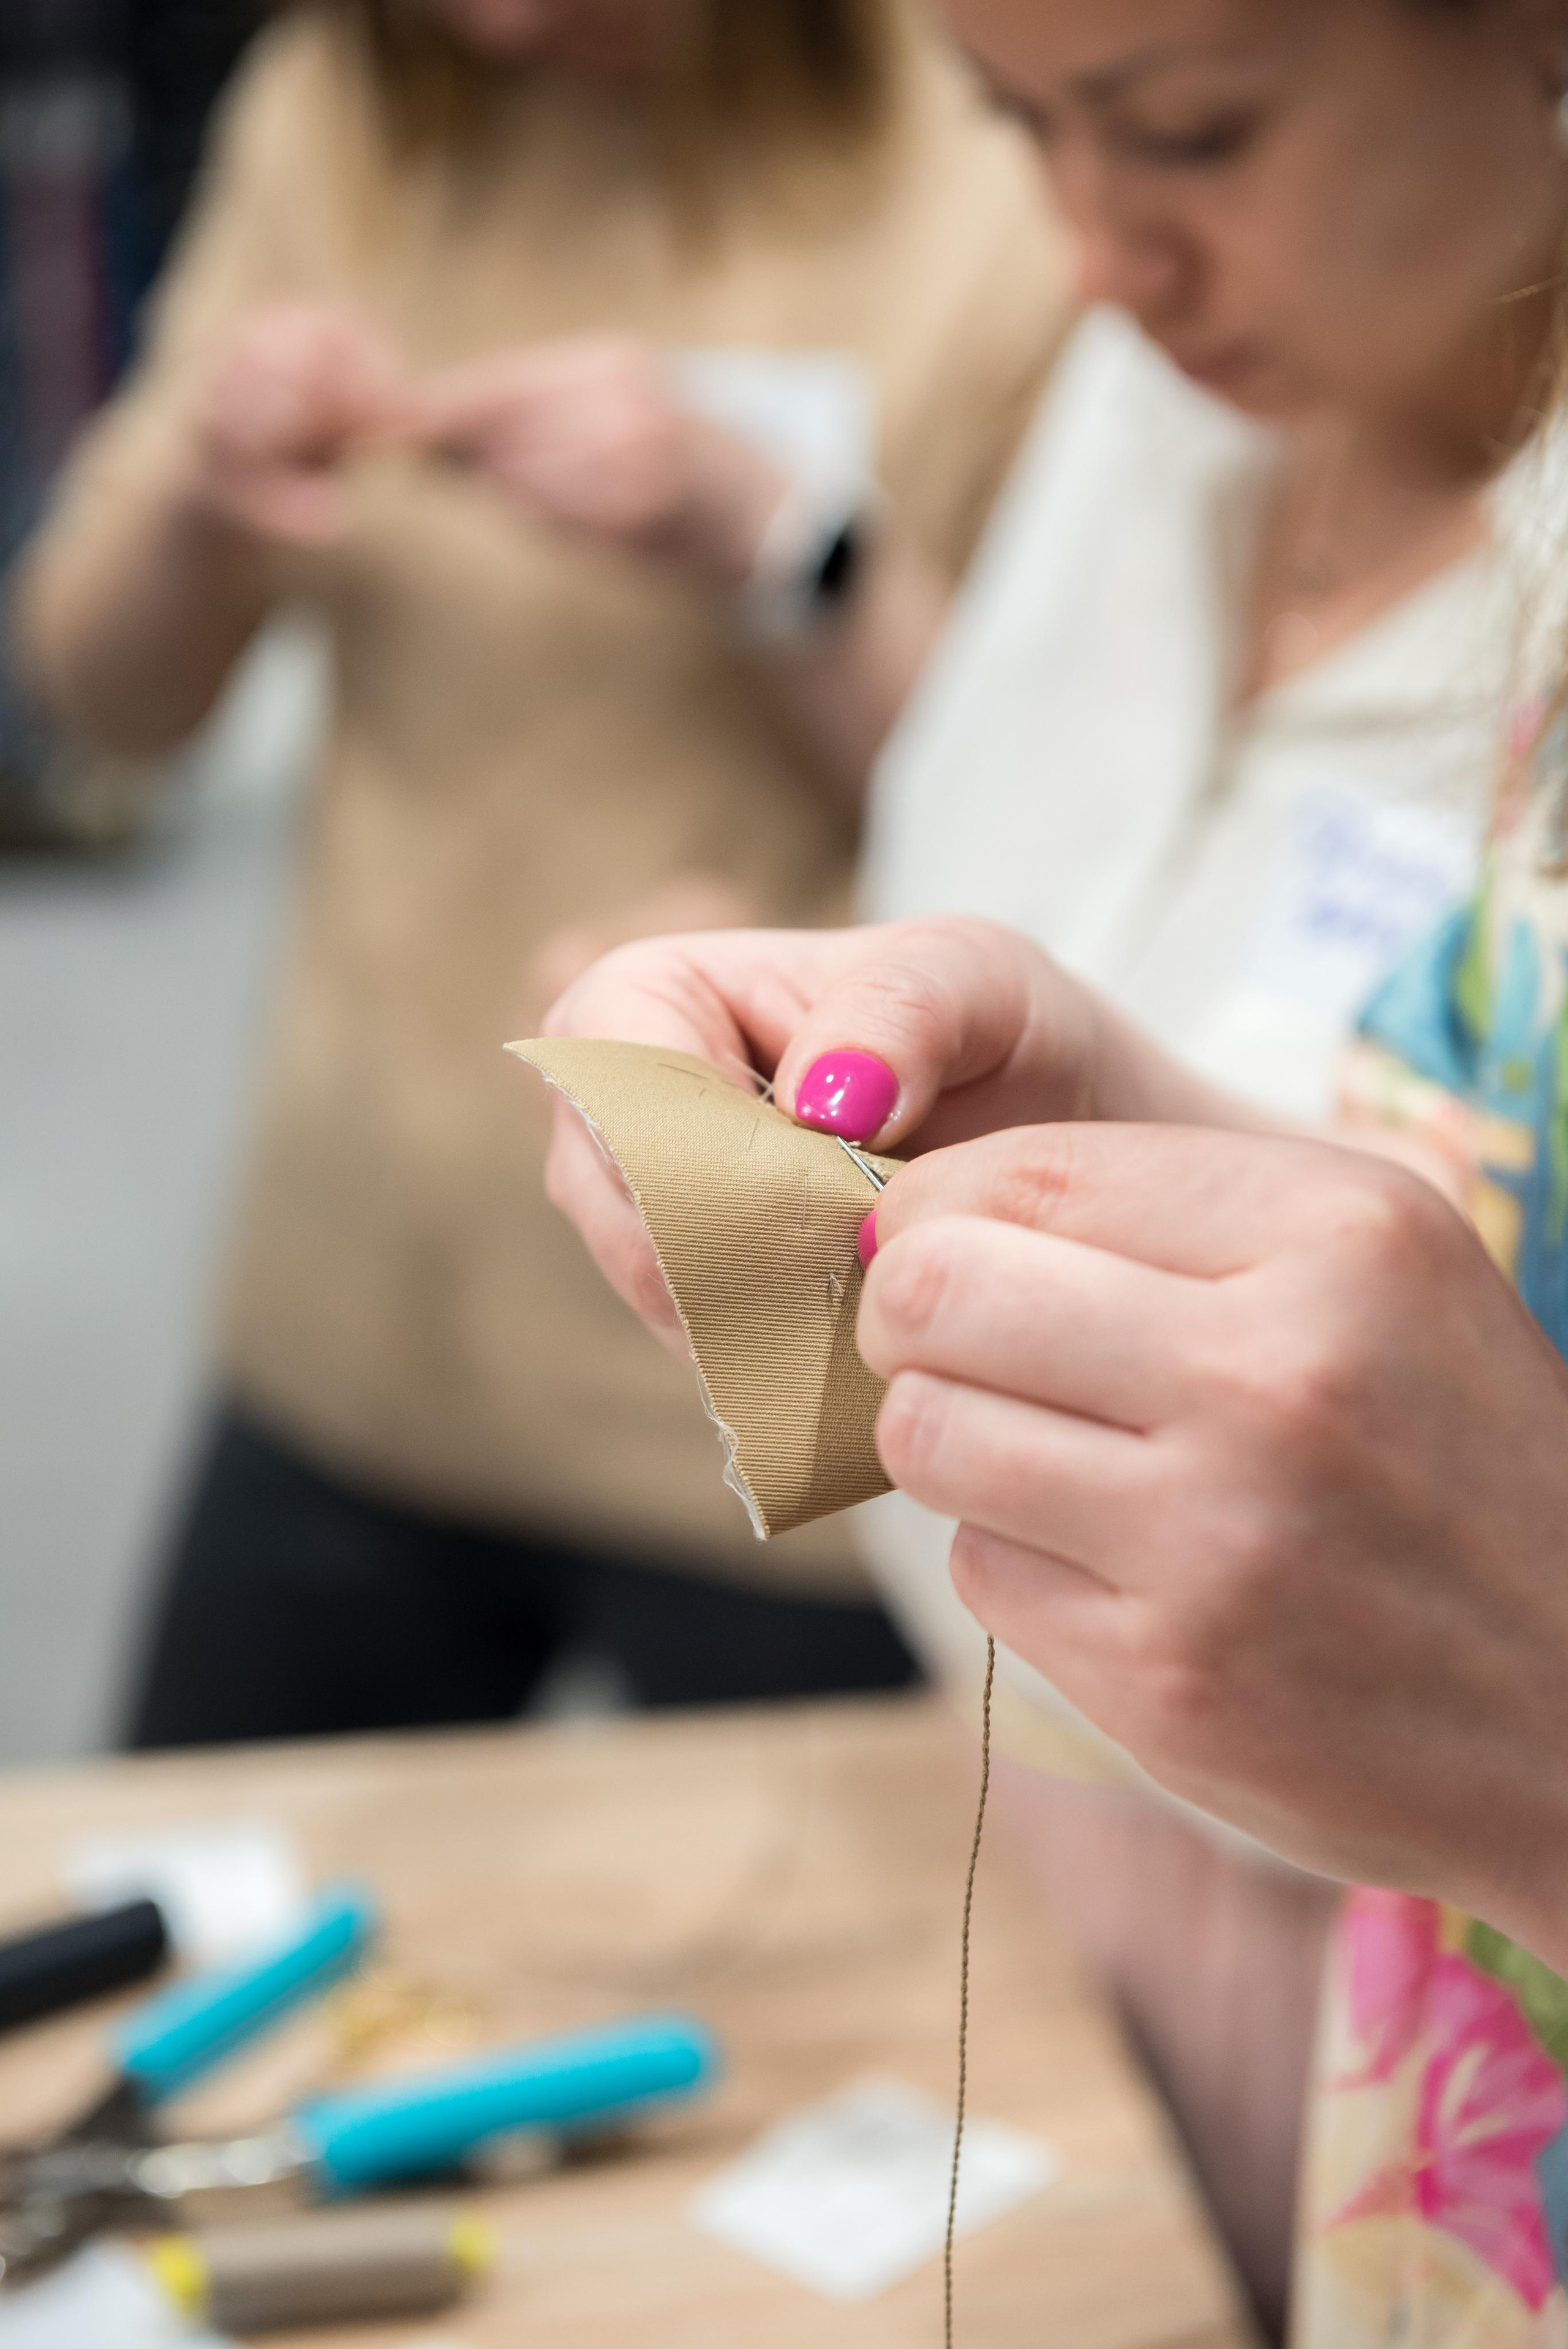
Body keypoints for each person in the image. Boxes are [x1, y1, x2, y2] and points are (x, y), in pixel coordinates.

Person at [11, 0, 1067, 1741]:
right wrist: (205, 491)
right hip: (366, 1304)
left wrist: (780, 541)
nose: (503, 22)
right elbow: (99, 698)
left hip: (768, 1355)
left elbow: (1070, 831)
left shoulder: (1004, 133)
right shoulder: (343, 103)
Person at [842, 0, 1568, 2322]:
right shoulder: (1180, 413)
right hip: (1406, 2036)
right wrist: (1069, 1113)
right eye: (1016, 127)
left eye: (1185, 128)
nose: (1090, 256)